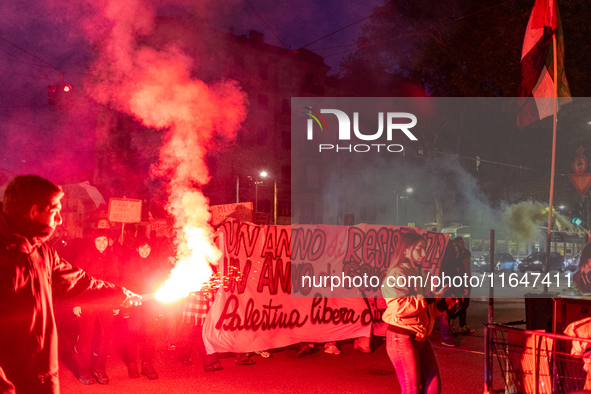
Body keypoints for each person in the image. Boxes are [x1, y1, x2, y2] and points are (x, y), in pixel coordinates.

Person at [0, 175, 141, 394]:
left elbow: (78, 282)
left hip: (42, 378)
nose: (59, 220)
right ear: (34, 211)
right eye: (55, 211)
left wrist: (119, 294)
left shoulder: (43, 251)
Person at [382, 231, 457, 394]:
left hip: (421, 337)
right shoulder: (397, 273)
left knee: (433, 387)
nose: (424, 254)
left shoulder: (421, 274)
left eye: (425, 249)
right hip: (402, 337)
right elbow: (398, 307)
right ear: (406, 250)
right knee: (412, 390)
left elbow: (426, 311)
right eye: (419, 249)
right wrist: (426, 298)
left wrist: (443, 305)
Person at [73, 228, 122, 385]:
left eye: (104, 240)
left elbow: (116, 282)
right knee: (86, 340)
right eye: (98, 240)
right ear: (93, 242)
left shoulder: (113, 258)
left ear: (109, 242)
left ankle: (99, 369)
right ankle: (84, 372)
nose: (102, 243)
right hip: (88, 303)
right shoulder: (84, 257)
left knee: (107, 337)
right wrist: (76, 303)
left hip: (106, 303)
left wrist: (116, 302)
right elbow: (75, 281)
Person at [120, 237, 170, 379]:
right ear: (137, 249)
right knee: (133, 335)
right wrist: (126, 307)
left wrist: (160, 305)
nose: (145, 250)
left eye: (148, 247)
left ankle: (147, 364)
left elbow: (160, 285)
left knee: (150, 335)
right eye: (142, 247)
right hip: (134, 306)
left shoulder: (156, 266)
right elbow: (124, 287)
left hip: (151, 306)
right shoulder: (129, 265)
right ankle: (132, 364)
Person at [453, 236, 474, 335]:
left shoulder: (464, 253)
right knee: (462, 305)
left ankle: (462, 325)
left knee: (464, 305)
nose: (464, 245)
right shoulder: (458, 257)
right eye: (462, 243)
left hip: (466, 281)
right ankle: (452, 320)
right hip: (462, 282)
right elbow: (466, 259)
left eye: (464, 243)